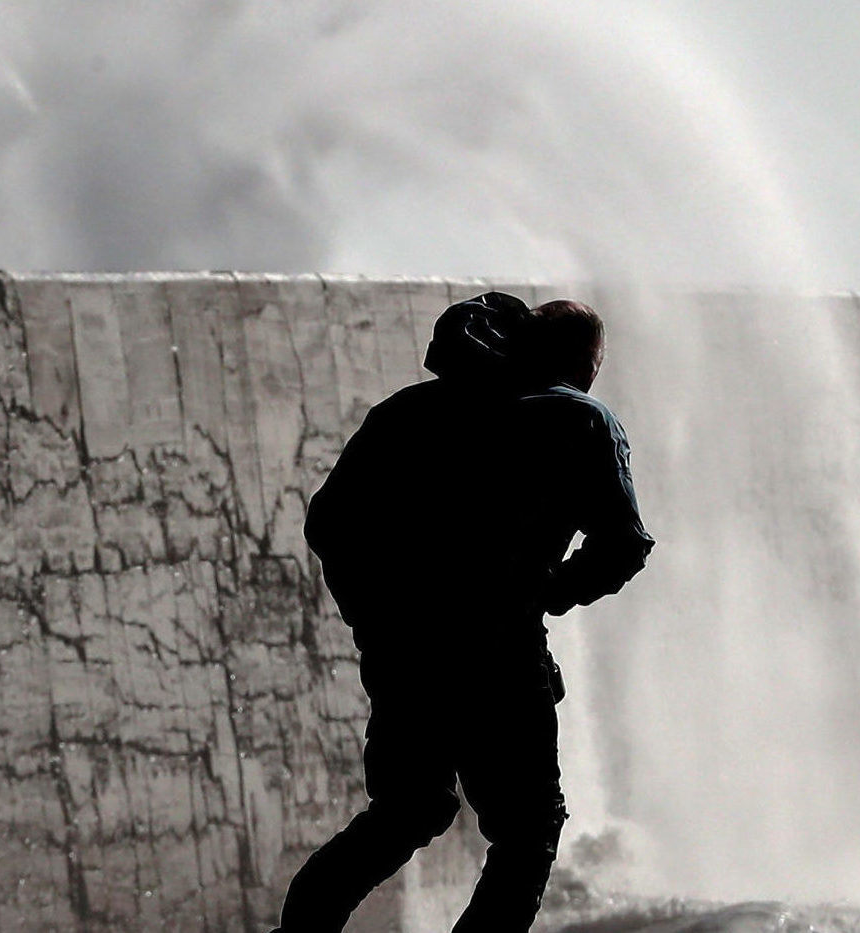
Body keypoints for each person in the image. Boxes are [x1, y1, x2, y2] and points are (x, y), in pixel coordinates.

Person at [279, 294, 652, 933]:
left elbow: (330, 522)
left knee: (405, 812)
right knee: (528, 833)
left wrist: (374, 621)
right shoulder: (580, 419)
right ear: (581, 362)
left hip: (405, 660)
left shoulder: (409, 410)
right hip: (502, 663)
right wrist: (549, 591)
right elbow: (623, 544)